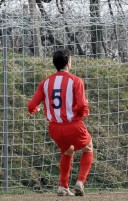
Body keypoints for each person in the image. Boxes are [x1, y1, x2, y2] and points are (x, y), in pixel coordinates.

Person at [27, 49, 93, 197]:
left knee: (68, 149)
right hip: (73, 125)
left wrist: (36, 110)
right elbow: (82, 105)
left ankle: (63, 186)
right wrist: (83, 113)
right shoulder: (76, 81)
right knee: (88, 147)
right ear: (69, 62)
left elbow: (31, 106)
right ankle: (80, 182)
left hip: (54, 128)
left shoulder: (45, 82)